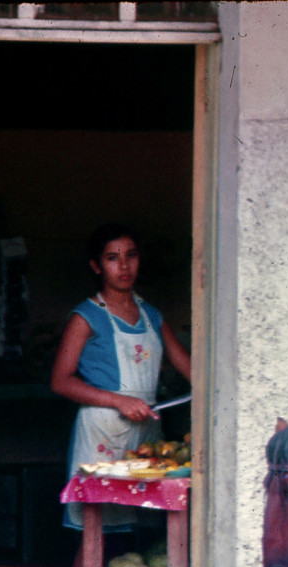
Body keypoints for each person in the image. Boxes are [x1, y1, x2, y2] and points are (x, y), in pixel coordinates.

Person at [50, 222, 192, 533]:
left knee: (141, 537)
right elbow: (60, 380)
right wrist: (118, 400)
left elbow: (189, 368)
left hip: (147, 432)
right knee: (98, 538)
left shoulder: (151, 315)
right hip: (102, 433)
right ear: (96, 266)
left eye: (131, 256)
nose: (124, 266)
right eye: (113, 258)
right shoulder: (85, 317)